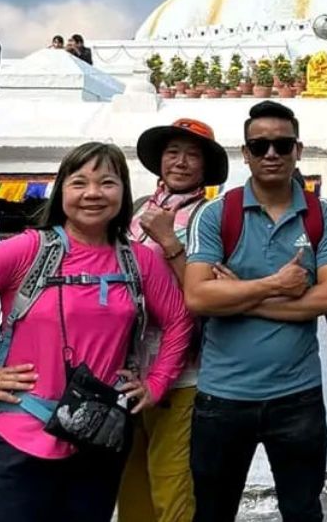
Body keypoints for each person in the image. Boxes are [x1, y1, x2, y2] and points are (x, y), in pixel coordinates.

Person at [0, 142, 195, 522]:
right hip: (15, 437)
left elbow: (180, 319)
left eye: (107, 183)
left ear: (124, 193)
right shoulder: (28, 250)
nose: (93, 194)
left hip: (95, 443)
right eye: (79, 183)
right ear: (61, 191)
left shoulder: (138, 260)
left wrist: (156, 382)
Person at [183, 100, 327, 522]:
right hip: (223, 396)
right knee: (213, 513)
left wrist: (238, 295)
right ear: (246, 154)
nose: (271, 154)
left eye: (281, 144)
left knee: (303, 512)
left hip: (297, 397)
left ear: (298, 149)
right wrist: (277, 287)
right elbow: (199, 297)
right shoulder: (217, 214)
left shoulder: (320, 215)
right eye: (260, 146)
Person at [118, 118, 229, 522]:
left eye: (192, 155)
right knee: (131, 482)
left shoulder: (214, 217)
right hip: (126, 368)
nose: (180, 162)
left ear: (205, 166)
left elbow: (211, 292)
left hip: (183, 370)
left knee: (171, 482)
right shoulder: (135, 209)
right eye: (172, 152)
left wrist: (169, 241)